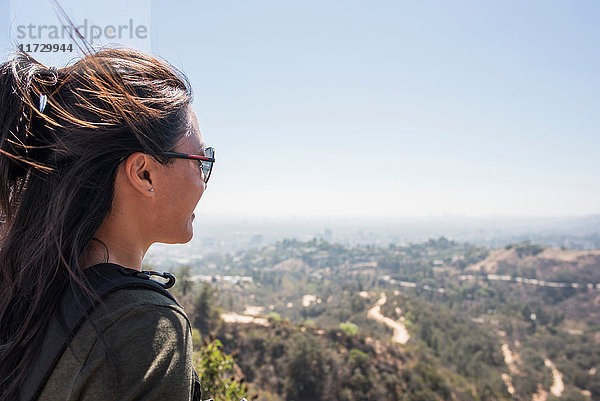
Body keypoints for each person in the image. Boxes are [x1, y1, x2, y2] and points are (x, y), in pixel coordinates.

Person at [0, 45, 213, 401]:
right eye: (200, 160)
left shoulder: (20, 288)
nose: (204, 179)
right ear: (144, 173)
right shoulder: (144, 327)